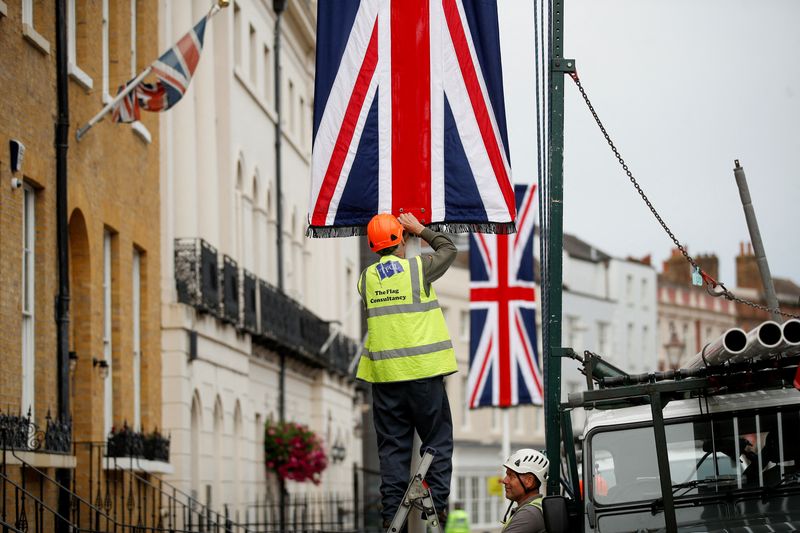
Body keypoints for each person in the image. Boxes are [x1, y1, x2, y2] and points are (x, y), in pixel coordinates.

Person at [356, 212, 459, 528]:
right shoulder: (418, 269)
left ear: (373, 245)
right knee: (437, 441)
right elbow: (449, 250)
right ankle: (437, 505)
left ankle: (391, 519)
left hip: (386, 380)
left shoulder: (366, 279)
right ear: (401, 238)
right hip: (423, 374)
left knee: (392, 451)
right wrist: (421, 229)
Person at [500, 449, 549, 533]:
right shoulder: (536, 507)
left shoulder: (528, 514)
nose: (504, 480)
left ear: (529, 481)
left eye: (511, 476)